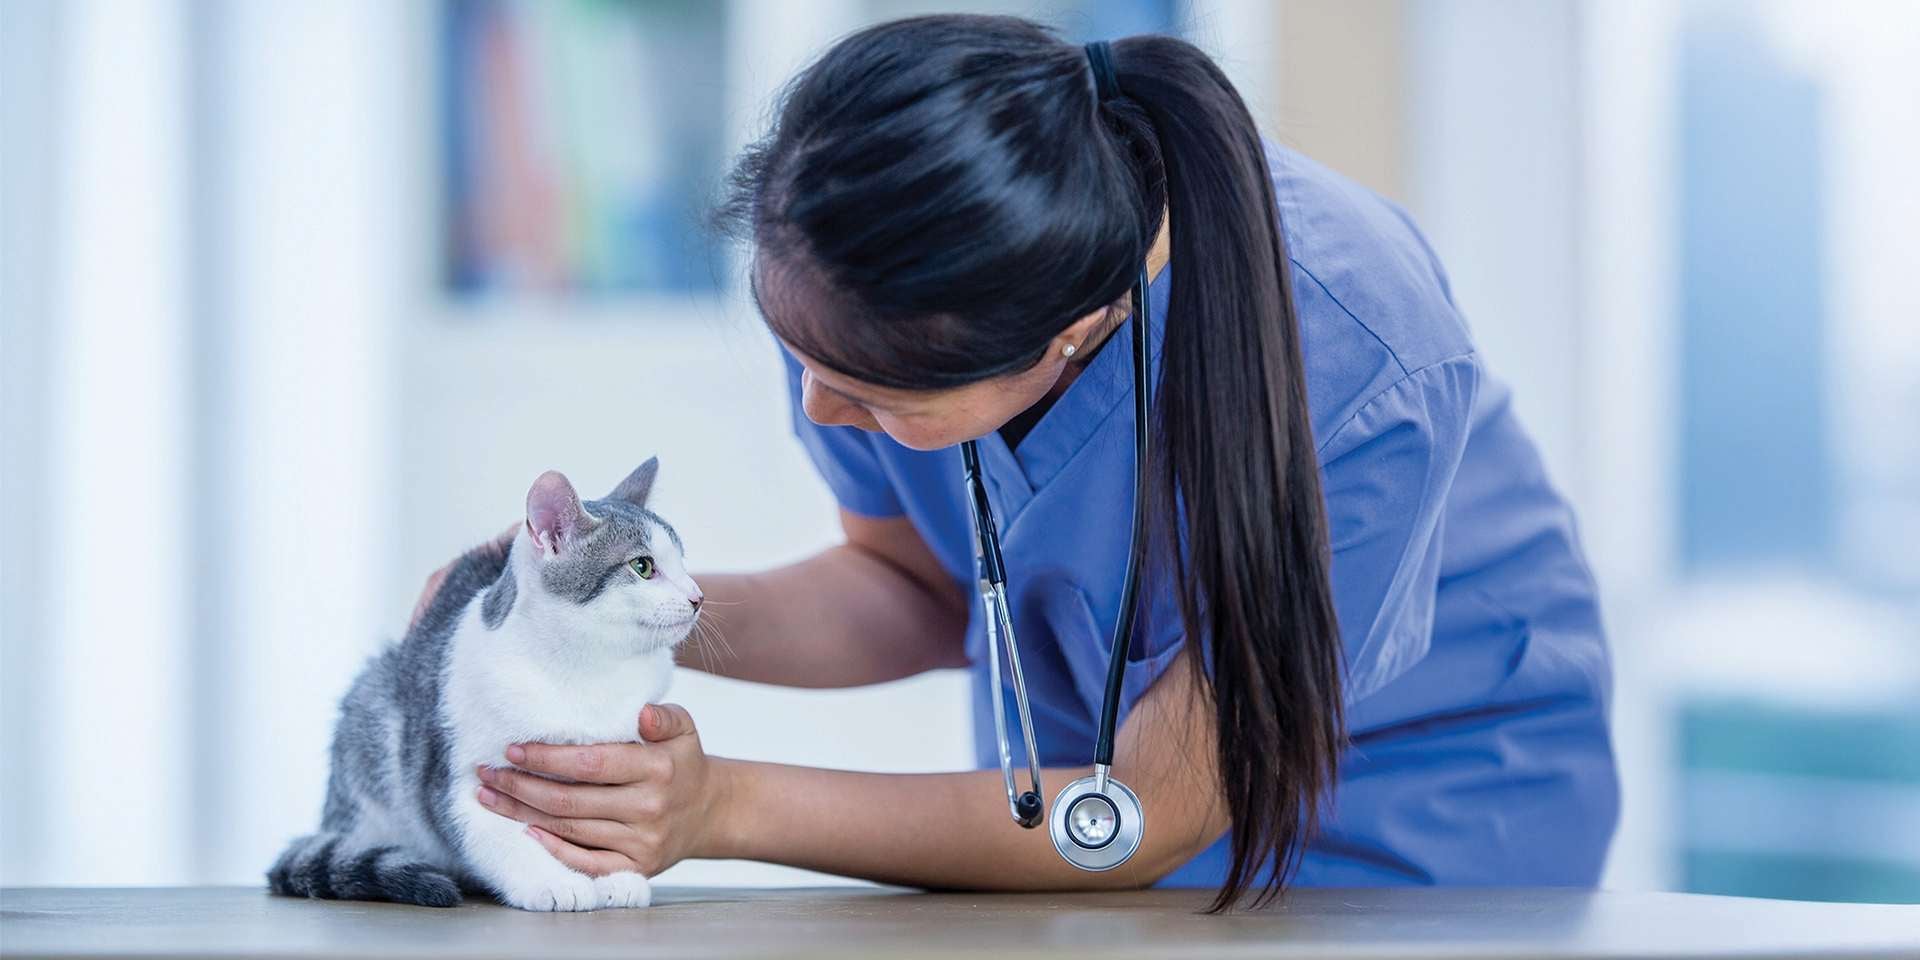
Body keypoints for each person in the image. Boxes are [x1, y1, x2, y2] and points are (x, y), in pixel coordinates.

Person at [432, 15, 1617, 910]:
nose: (820, 407)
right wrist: (596, 611)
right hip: (1082, 832)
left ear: (1066, 341)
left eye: (877, 396)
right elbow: (912, 592)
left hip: (1428, 826)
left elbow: (1151, 804)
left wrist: (718, 806)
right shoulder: (874, 282)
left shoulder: (1363, 362)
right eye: (797, 352)